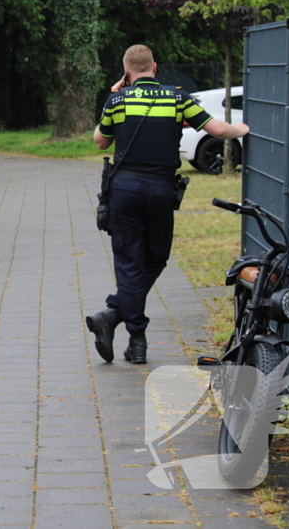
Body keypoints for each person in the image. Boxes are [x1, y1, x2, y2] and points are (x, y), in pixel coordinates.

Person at [86, 45, 250, 364]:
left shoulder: (117, 100)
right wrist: (241, 129)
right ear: (155, 67)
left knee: (130, 263)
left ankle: (123, 325)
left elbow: (100, 140)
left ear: (127, 71)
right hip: (161, 190)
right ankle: (126, 330)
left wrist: (116, 94)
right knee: (156, 257)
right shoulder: (178, 98)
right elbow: (216, 129)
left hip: (124, 191)